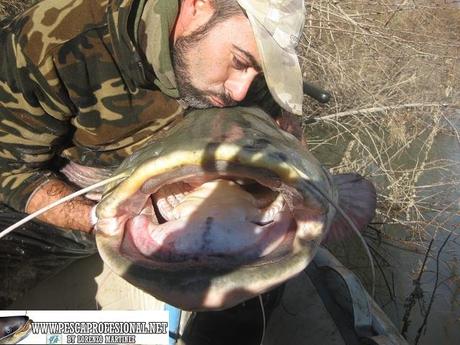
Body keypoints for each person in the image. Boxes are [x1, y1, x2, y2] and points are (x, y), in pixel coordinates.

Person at [0, 0, 305, 342]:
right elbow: (6, 167)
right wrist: (98, 218)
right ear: (198, 6)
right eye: (239, 62)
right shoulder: (56, 39)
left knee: (270, 260)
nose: (240, 90)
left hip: (191, 192)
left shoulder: (243, 74)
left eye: (258, 73)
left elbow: (286, 142)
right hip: (72, 194)